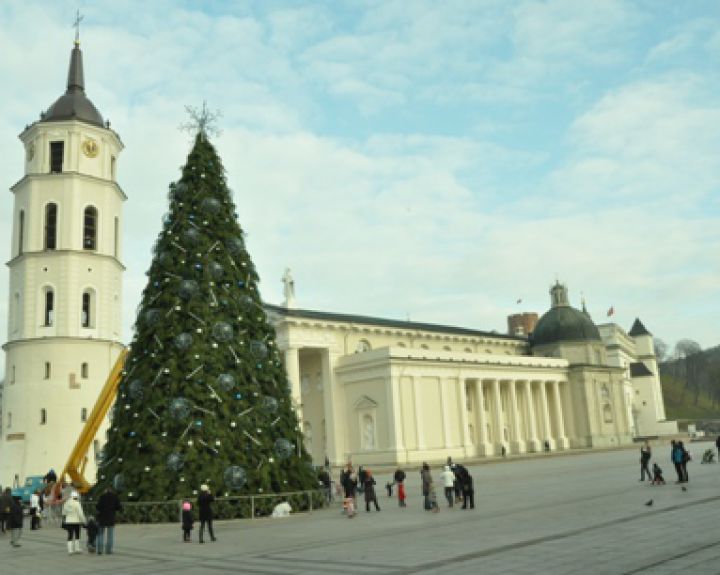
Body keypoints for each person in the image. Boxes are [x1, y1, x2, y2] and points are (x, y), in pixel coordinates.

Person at [96, 486, 122, 555]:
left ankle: (100, 550)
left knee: (100, 534)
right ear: (111, 491)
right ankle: (108, 550)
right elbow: (119, 507)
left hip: (102, 518)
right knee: (110, 535)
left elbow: (98, 507)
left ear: (105, 490)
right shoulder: (115, 497)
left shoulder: (102, 497)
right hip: (111, 518)